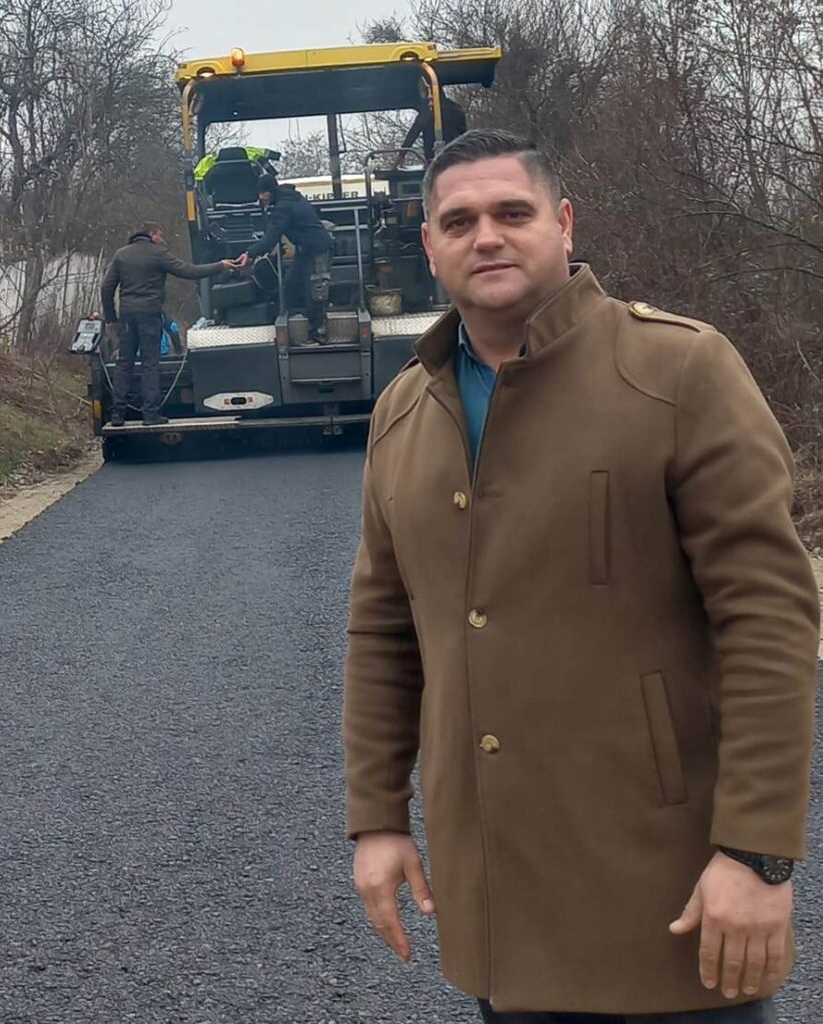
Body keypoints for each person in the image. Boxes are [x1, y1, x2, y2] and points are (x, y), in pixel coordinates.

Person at [342, 129, 819, 1022]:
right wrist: (376, 817)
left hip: (670, 892)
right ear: (430, 247)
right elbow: (383, 630)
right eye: (460, 222)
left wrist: (757, 854)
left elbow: (770, 620)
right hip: (501, 906)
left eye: (512, 213)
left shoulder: (678, 370)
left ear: (563, 223)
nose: (487, 236)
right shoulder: (404, 410)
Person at [101, 222, 239, 426]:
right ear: (151, 235)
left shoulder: (121, 255)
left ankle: (117, 414)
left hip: (128, 315)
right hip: (150, 314)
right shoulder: (158, 254)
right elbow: (189, 271)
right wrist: (220, 265)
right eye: (159, 235)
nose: (162, 239)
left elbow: (106, 287)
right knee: (150, 364)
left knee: (124, 364)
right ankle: (151, 414)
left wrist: (111, 317)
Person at [241, 174, 333, 344]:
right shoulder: (290, 199)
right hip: (305, 250)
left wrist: (250, 253)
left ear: (270, 191)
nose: (261, 197)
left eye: (263, 193)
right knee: (290, 285)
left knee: (316, 292)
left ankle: (318, 334)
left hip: (317, 250)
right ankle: (296, 326)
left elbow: (271, 237)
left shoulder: (284, 206)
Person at [394, 85, 468, 167]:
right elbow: (465, 135)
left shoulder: (427, 112)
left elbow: (414, 132)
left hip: (433, 161)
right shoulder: (457, 108)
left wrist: (401, 154)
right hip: (456, 158)